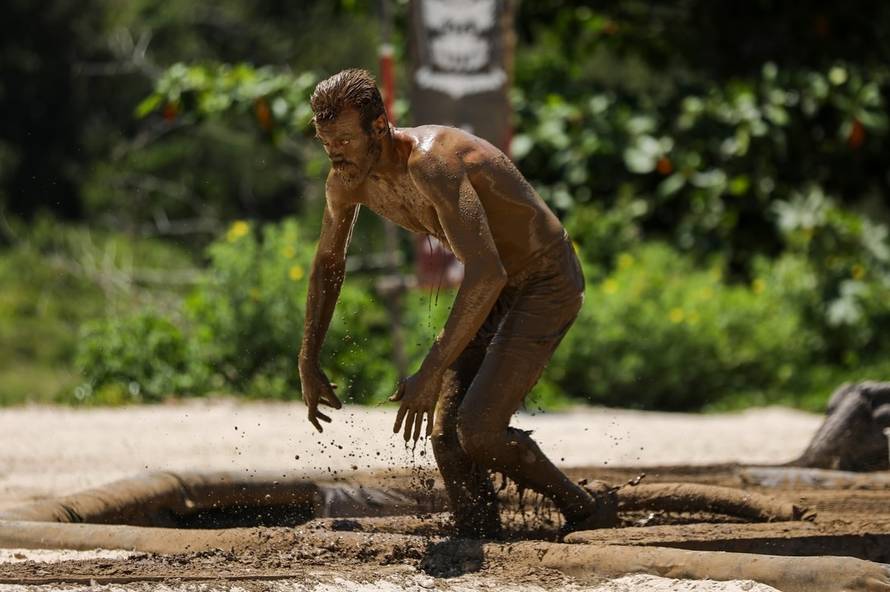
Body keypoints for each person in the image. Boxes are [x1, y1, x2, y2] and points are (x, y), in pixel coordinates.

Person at [298, 69, 612, 538]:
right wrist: (307, 355)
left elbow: (487, 271)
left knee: (480, 430)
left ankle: (587, 512)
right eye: (326, 143)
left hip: (544, 279)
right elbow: (328, 264)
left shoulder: (433, 162)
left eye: (344, 140)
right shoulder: (347, 180)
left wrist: (429, 371)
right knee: (447, 438)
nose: (335, 154)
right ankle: (479, 537)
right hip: (495, 285)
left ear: (379, 128)